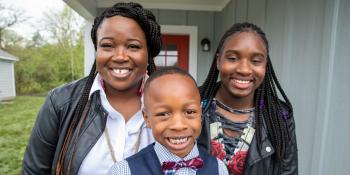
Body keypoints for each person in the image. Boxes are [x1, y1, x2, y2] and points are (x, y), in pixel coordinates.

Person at [22, 2, 162, 175]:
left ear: (149, 53)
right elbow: (35, 171)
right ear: (97, 50)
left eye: (133, 46)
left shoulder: (180, 102)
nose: (119, 56)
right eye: (107, 45)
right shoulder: (60, 103)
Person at [198, 22, 298, 175]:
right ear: (218, 61)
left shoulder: (279, 116)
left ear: (265, 65)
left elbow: (288, 172)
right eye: (232, 58)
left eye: (256, 61)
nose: (244, 69)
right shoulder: (193, 104)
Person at [108, 67, 229, 175]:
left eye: (189, 112)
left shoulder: (219, 169)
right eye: (164, 114)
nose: (178, 125)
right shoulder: (124, 171)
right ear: (147, 118)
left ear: (200, 114)